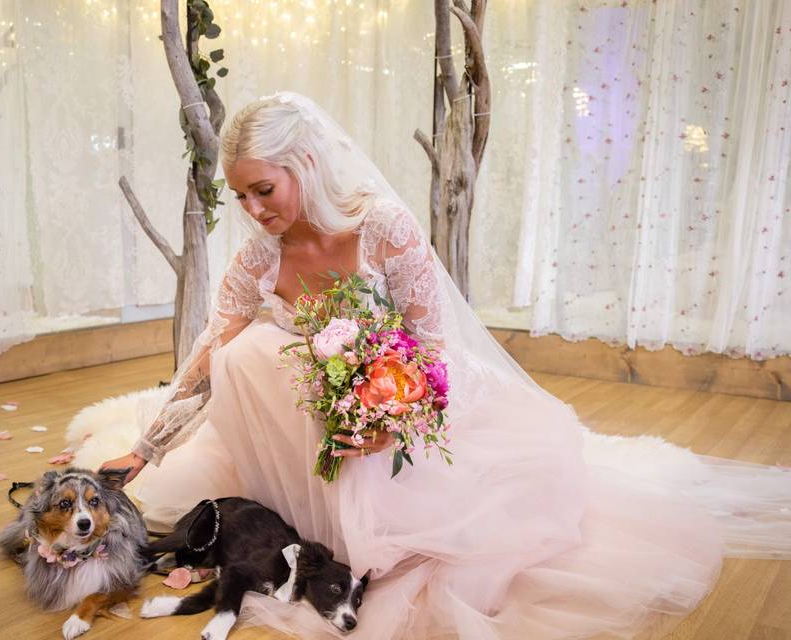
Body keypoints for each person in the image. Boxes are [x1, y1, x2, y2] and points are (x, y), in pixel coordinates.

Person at [99, 92, 790, 639]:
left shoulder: (382, 228)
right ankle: (307, 504)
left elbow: (433, 349)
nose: (251, 211)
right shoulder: (261, 255)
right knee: (245, 348)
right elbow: (207, 357)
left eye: (262, 191)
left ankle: (371, 519)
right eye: (239, 196)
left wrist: (389, 423)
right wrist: (146, 447)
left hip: (401, 413)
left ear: (303, 164)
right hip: (307, 426)